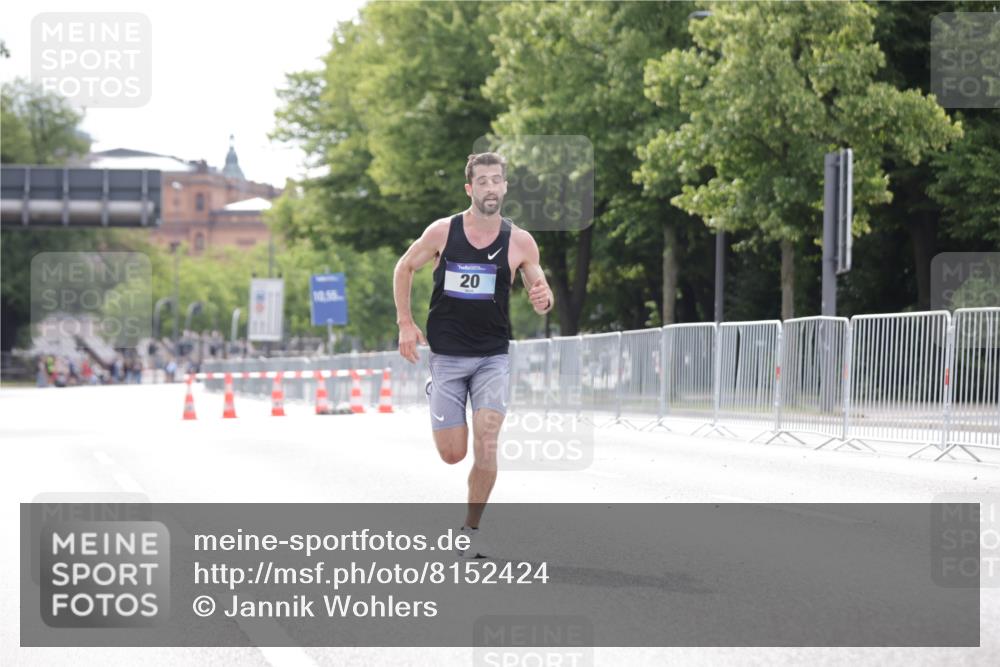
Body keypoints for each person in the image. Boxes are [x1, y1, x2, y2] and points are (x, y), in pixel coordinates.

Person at [394, 152, 553, 558]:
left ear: (504, 187)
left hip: (491, 357)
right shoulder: (443, 232)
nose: (489, 187)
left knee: (487, 441)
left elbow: (540, 291)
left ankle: (471, 530)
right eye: (481, 181)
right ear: (470, 189)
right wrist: (405, 323)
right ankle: (439, 394)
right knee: (453, 454)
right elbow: (404, 267)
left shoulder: (519, 240)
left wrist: (543, 297)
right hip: (447, 356)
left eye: (496, 180)